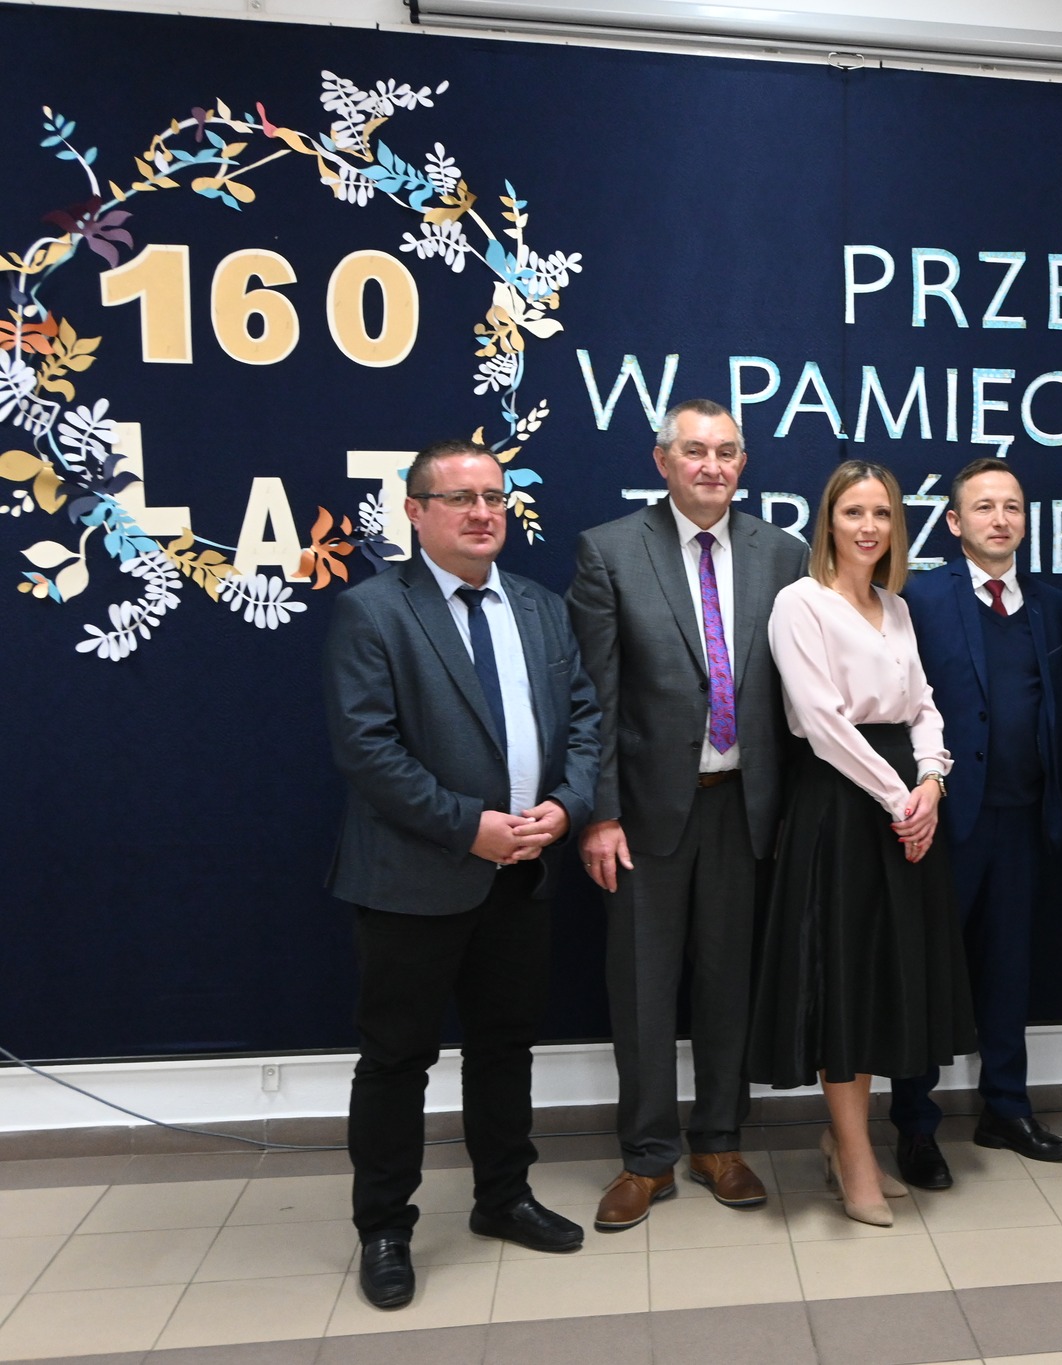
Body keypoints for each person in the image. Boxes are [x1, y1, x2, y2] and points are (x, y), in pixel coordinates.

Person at [322, 438, 600, 1310]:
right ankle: (384, 1228)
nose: (483, 513)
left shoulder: (541, 606)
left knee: (504, 1046)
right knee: (397, 1058)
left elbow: (585, 721)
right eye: (460, 498)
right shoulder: (374, 611)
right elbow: (367, 750)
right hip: (414, 878)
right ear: (415, 512)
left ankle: (503, 1196)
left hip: (522, 872)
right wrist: (467, 828)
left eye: (494, 497)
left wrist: (567, 806)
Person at [565, 399, 807, 1229]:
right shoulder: (609, 551)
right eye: (695, 450)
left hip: (746, 807)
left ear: (744, 464)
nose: (712, 465)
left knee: (729, 984)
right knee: (642, 990)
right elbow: (592, 697)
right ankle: (646, 1157)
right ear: (661, 460)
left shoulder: (783, 553)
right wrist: (599, 814)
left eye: (727, 451)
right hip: (644, 815)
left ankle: (719, 1142)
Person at [751, 459, 978, 1226]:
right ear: (829, 521)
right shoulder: (799, 603)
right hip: (842, 809)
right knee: (842, 985)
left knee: (882, 982)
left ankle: (847, 1138)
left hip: (904, 805)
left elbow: (924, 706)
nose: (869, 526)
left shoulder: (896, 607)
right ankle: (853, 1156)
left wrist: (933, 780)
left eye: (882, 513)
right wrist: (897, 798)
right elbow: (821, 723)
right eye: (854, 512)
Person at [889, 458, 1062, 1187]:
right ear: (954, 521)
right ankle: (915, 1124)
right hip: (944, 820)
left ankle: (1006, 1107)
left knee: (1009, 970)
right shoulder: (918, 597)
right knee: (930, 972)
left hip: (1024, 818)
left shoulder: (1052, 603)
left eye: (1013, 506)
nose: (1000, 519)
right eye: (984, 506)